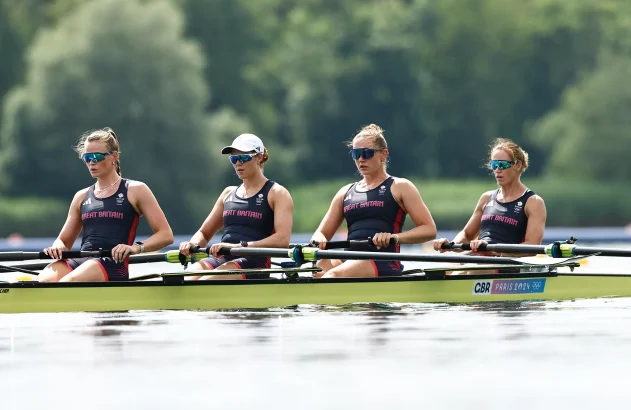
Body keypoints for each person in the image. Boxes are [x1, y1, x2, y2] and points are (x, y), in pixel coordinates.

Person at [40, 127, 174, 282]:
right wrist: (57, 246)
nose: (91, 162)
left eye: (96, 157)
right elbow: (64, 241)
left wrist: (136, 248)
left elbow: (166, 235)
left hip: (113, 263)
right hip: (83, 260)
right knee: (43, 282)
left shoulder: (136, 190)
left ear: (114, 156)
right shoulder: (81, 196)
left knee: (67, 282)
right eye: (87, 157)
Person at [310, 124, 437, 278]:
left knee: (333, 275)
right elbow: (321, 233)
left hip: (383, 259)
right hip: (349, 259)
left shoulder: (400, 187)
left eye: (367, 153)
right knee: (316, 271)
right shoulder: (345, 192)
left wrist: (394, 238)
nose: (361, 159)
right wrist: (319, 240)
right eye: (356, 154)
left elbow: (429, 229)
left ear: (384, 154)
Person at [179, 134, 294, 280]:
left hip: (254, 262)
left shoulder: (277, 193)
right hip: (223, 258)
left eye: (244, 158)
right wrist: (192, 244)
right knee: (183, 280)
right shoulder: (228, 193)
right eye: (233, 159)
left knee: (205, 281)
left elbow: (282, 240)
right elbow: (204, 233)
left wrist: (242, 246)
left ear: (259, 157)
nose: (238, 163)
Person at [433, 137, 547, 265]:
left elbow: (532, 247)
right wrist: (450, 244)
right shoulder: (486, 198)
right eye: (494, 165)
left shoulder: (534, 202)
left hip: (507, 264)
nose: (497, 170)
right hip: (480, 259)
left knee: (469, 270)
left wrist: (494, 252)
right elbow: (467, 234)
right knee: (441, 273)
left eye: (503, 165)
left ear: (518, 165)